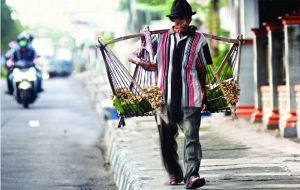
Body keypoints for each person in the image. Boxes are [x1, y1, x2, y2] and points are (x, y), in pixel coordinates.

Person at [128, 0, 213, 189]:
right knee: (166, 139)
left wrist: (205, 93)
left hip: (191, 96)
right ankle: (174, 174)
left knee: (192, 137)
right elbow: (133, 55)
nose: (185, 22)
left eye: (187, 18)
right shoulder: (161, 40)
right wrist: (146, 64)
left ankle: (192, 175)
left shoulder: (200, 39)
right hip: (164, 98)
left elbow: (201, 68)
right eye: (180, 18)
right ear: (173, 20)